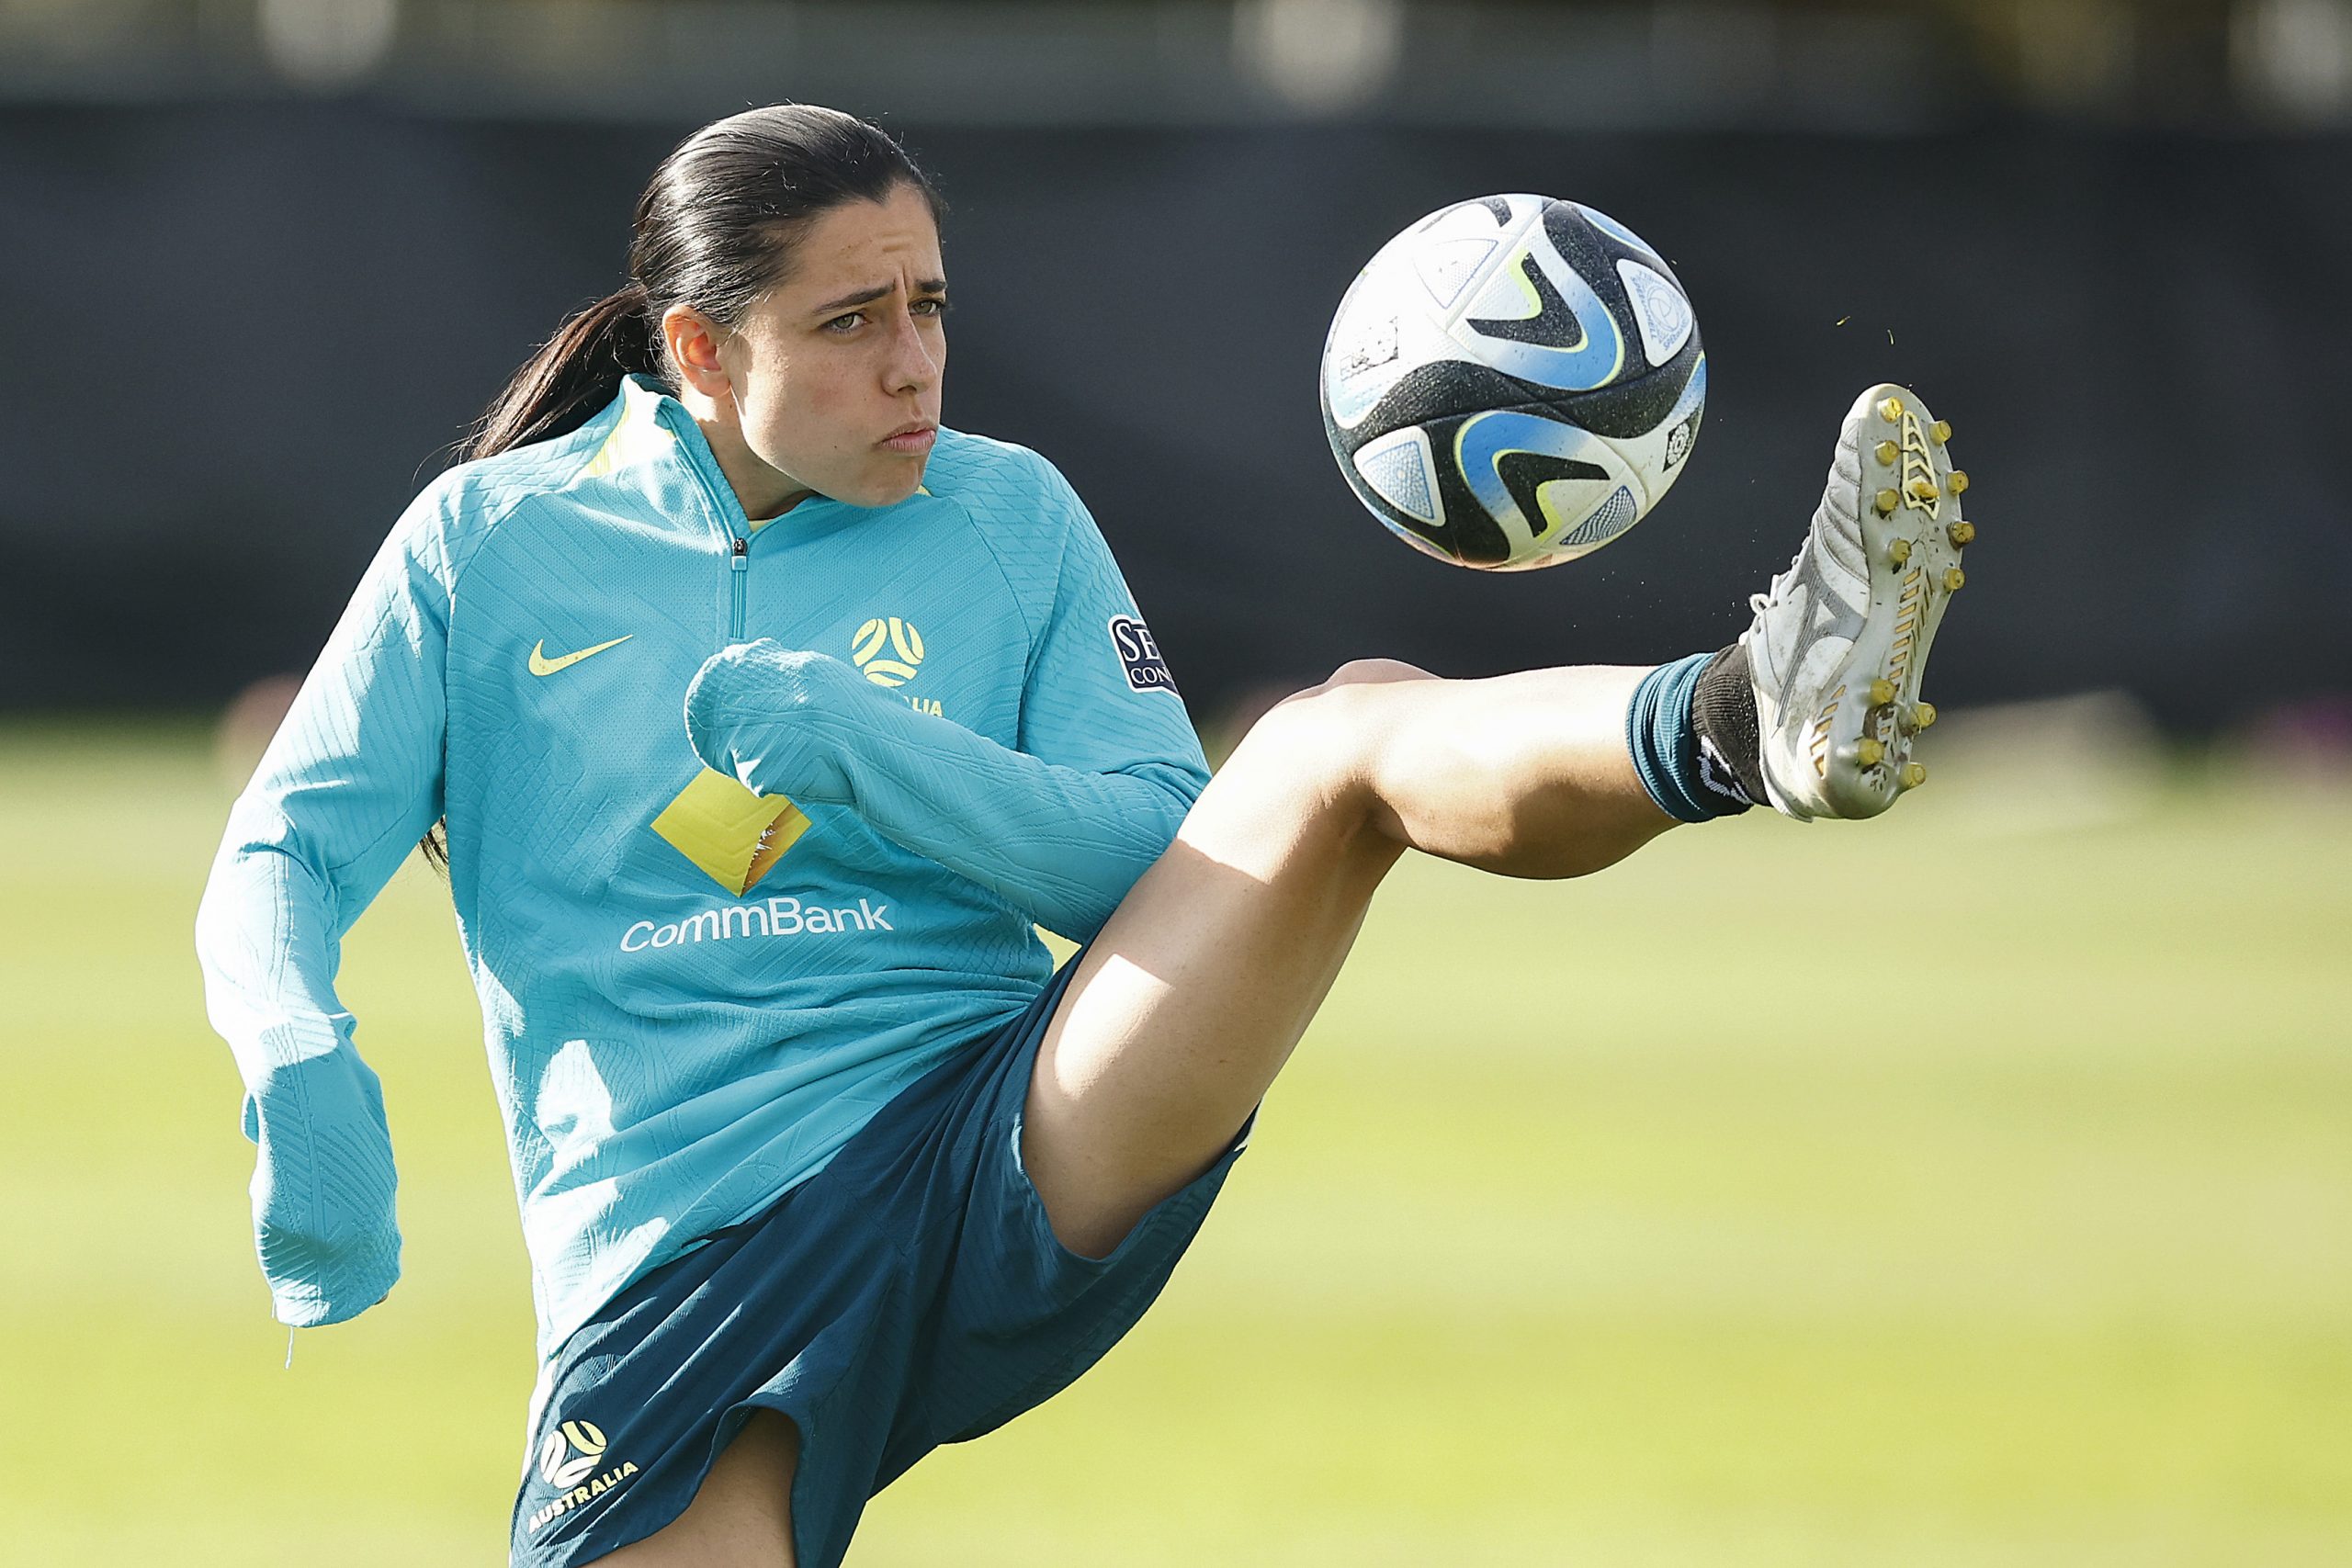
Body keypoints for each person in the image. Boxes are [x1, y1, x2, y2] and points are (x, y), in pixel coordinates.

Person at [194, 104, 1972, 1568]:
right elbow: (284, 853)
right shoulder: (485, 545)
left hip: (1004, 1139)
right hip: (683, 1265)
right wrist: (295, 1051)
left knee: (1330, 745)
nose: (918, 366)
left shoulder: (1010, 515)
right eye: (851, 321)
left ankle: (1752, 712)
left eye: (931, 305)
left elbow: (1150, 860)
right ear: (698, 353)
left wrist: (878, 758)